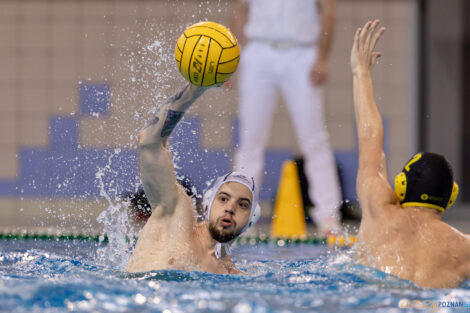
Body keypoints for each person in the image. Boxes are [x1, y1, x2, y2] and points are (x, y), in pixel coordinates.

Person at [351, 20, 470, 288]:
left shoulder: (380, 210)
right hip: (430, 307)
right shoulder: (464, 247)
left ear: (400, 186)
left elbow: (370, 139)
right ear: (450, 197)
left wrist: (361, 73)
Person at [231, 0, 342, 235]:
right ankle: (241, 213)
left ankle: (329, 217)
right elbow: (241, 10)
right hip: (258, 52)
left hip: (301, 54)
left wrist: (322, 56)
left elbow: (329, 11)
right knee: (249, 140)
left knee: (314, 139)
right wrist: (233, 60)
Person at [125, 83, 261, 274]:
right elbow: (149, 140)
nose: (230, 209)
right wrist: (197, 88)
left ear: (250, 221)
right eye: (223, 198)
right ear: (207, 204)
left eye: (243, 205)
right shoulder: (176, 214)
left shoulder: (231, 275)